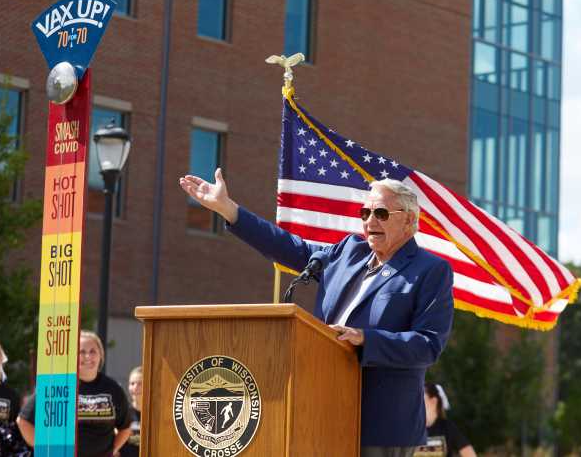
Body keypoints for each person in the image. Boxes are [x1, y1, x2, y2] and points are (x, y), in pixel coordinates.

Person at [180, 168, 454, 456]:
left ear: (409, 219)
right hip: (320, 410)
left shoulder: (430, 270)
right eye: (365, 213)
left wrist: (365, 339)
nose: (370, 221)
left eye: (381, 214)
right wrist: (228, 208)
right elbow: (289, 247)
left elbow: (428, 345)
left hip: (381, 423)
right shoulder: (349, 251)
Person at [17, 330, 132, 457]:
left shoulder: (113, 388)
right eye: (81, 352)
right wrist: (46, 451)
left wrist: (112, 450)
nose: (88, 356)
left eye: (93, 351)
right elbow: (23, 421)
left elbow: (125, 428)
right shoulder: (58, 384)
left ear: (101, 356)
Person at [415, 383, 476, 457]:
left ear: (433, 401)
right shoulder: (410, 429)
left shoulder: (447, 427)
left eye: (420, 399)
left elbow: (468, 453)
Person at [118, 366, 142, 457]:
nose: (135, 387)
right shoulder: (122, 412)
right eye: (132, 383)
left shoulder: (155, 415)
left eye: (140, 383)